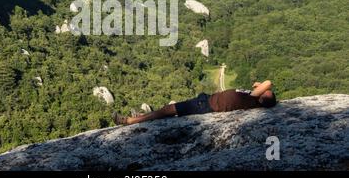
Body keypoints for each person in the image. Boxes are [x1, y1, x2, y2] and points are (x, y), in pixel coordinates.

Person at [113, 80, 277, 126]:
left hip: (205, 106)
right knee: (167, 111)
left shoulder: (253, 99)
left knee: (167, 110)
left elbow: (267, 82)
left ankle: (131, 121)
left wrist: (260, 87)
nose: (264, 89)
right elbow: (260, 84)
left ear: (263, 97)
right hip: (206, 100)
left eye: (265, 92)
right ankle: (142, 116)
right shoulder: (252, 97)